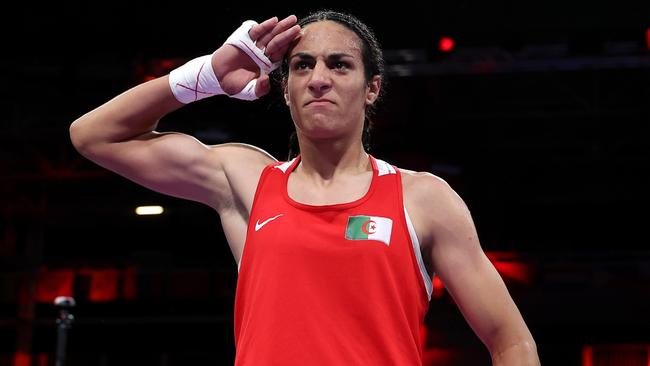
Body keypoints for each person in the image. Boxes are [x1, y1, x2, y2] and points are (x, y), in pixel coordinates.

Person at [69, 10, 540, 366]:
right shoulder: (249, 181)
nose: (318, 79)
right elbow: (93, 136)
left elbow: (511, 339)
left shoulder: (423, 199)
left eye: (339, 65)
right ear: (285, 87)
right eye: (301, 66)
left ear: (371, 88)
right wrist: (204, 78)